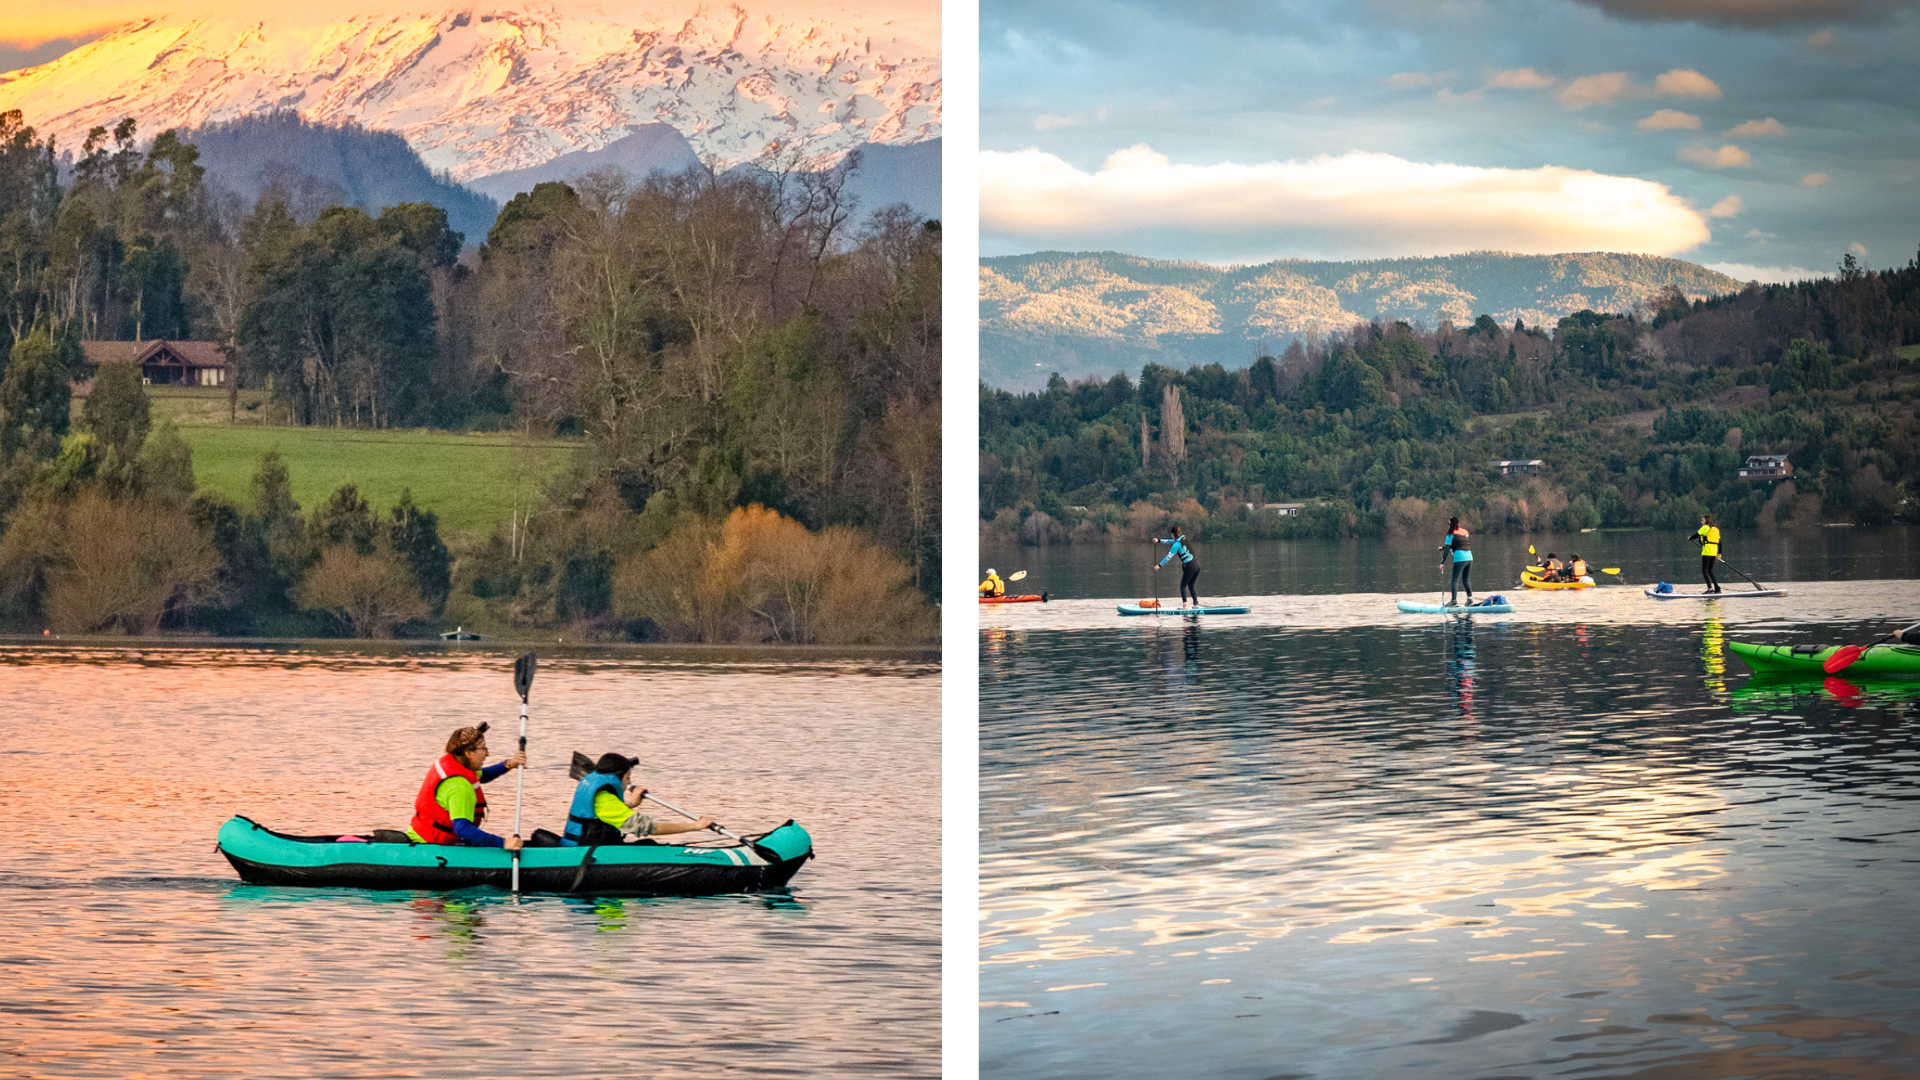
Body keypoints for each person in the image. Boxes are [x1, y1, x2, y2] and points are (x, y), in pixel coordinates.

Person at [408, 725, 527, 850]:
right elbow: (462, 829)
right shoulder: (459, 787)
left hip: (418, 834)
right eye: (483, 748)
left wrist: (508, 764)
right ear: (469, 753)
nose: (487, 753)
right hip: (430, 846)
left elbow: (484, 775)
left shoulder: (455, 763)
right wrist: (503, 843)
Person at [563, 753, 715, 846]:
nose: (629, 783)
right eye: (628, 777)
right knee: (649, 844)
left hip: (584, 846)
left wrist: (632, 803)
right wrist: (695, 826)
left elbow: (601, 814)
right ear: (617, 777)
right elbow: (649, 828)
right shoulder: (604, 798)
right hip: (586, 852)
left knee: (647, 845)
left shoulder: (597, 790)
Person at [1154, 525, 1200, 607]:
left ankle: (1185, 606)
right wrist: (1159, 541)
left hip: (1190, 566)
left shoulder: (1176, 545)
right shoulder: (1183, 538)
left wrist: (1159, 565)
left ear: (1173, 534)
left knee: (1183, 586)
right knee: (1190, 585)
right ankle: (1196, 604)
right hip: (1196, 565)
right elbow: (1170, 541)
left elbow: (1168, 557)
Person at [1440, 516, 1472, 605]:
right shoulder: (1465, 532)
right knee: (1466, 580)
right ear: (1458, 524)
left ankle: (1454, 601)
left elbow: (1448, 550)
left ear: (1450, 525)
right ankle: (1470, 599)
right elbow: (1459, 544)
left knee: (1454, 580)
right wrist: (1443, 548)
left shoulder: (1450, 534)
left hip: (1460, 558)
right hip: (1469, 558)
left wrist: (1442, 563)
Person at [1691, 513, 1722, 593]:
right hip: (1714, 553)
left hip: (1707, 552)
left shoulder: (1705, 527)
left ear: (1706, 520)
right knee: (1710, 571)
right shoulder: (1715, 529)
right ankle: (1717, 587)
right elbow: (1720, 543)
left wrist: (1690, 538)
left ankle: (1710, 588)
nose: (1701, 522)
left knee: (1704, 570)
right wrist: (1719, 554)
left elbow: (1696, 535)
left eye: (1702, 520)